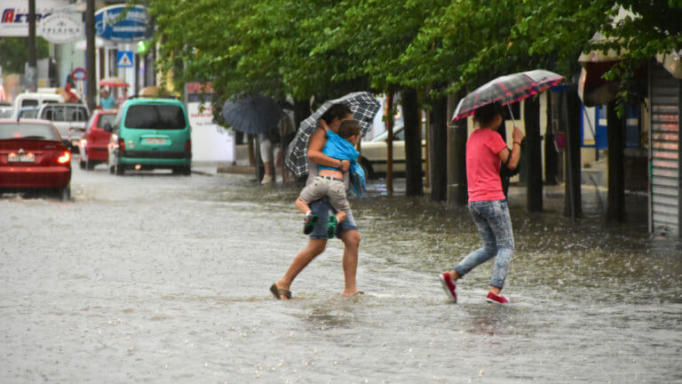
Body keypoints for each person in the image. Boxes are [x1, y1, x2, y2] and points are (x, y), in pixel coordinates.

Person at [270, 103, 361, 300]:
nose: (351, 123)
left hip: (338, 195)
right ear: (336, 120)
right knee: (318, 245)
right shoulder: (321, 133)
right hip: (320, 196)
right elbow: (313, 154)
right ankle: (283, 283)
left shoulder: (340, 139)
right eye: (348, 120)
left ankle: (350, 291)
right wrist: (338, 163)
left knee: (352, 239)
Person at [439, 102, 525, 304]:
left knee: (489, 247)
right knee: (507, 246)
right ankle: (494, 291)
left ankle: (452, 277)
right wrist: (518, 141)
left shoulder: (473, 138)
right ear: (496, 118)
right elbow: (512, 163)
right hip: (492, 198)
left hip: (475, 201)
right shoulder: (493, 137)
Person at [295, 119, 361, 237]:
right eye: (358, 137)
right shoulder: (352, 152)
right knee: (343, 212)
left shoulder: (332, 139)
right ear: (353, 138)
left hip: (320, 181)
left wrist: (324, 123)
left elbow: (327, 130)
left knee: (300, 201)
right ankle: (335, 220)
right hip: (337, 184)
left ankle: (309, 215)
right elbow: (347, 168)